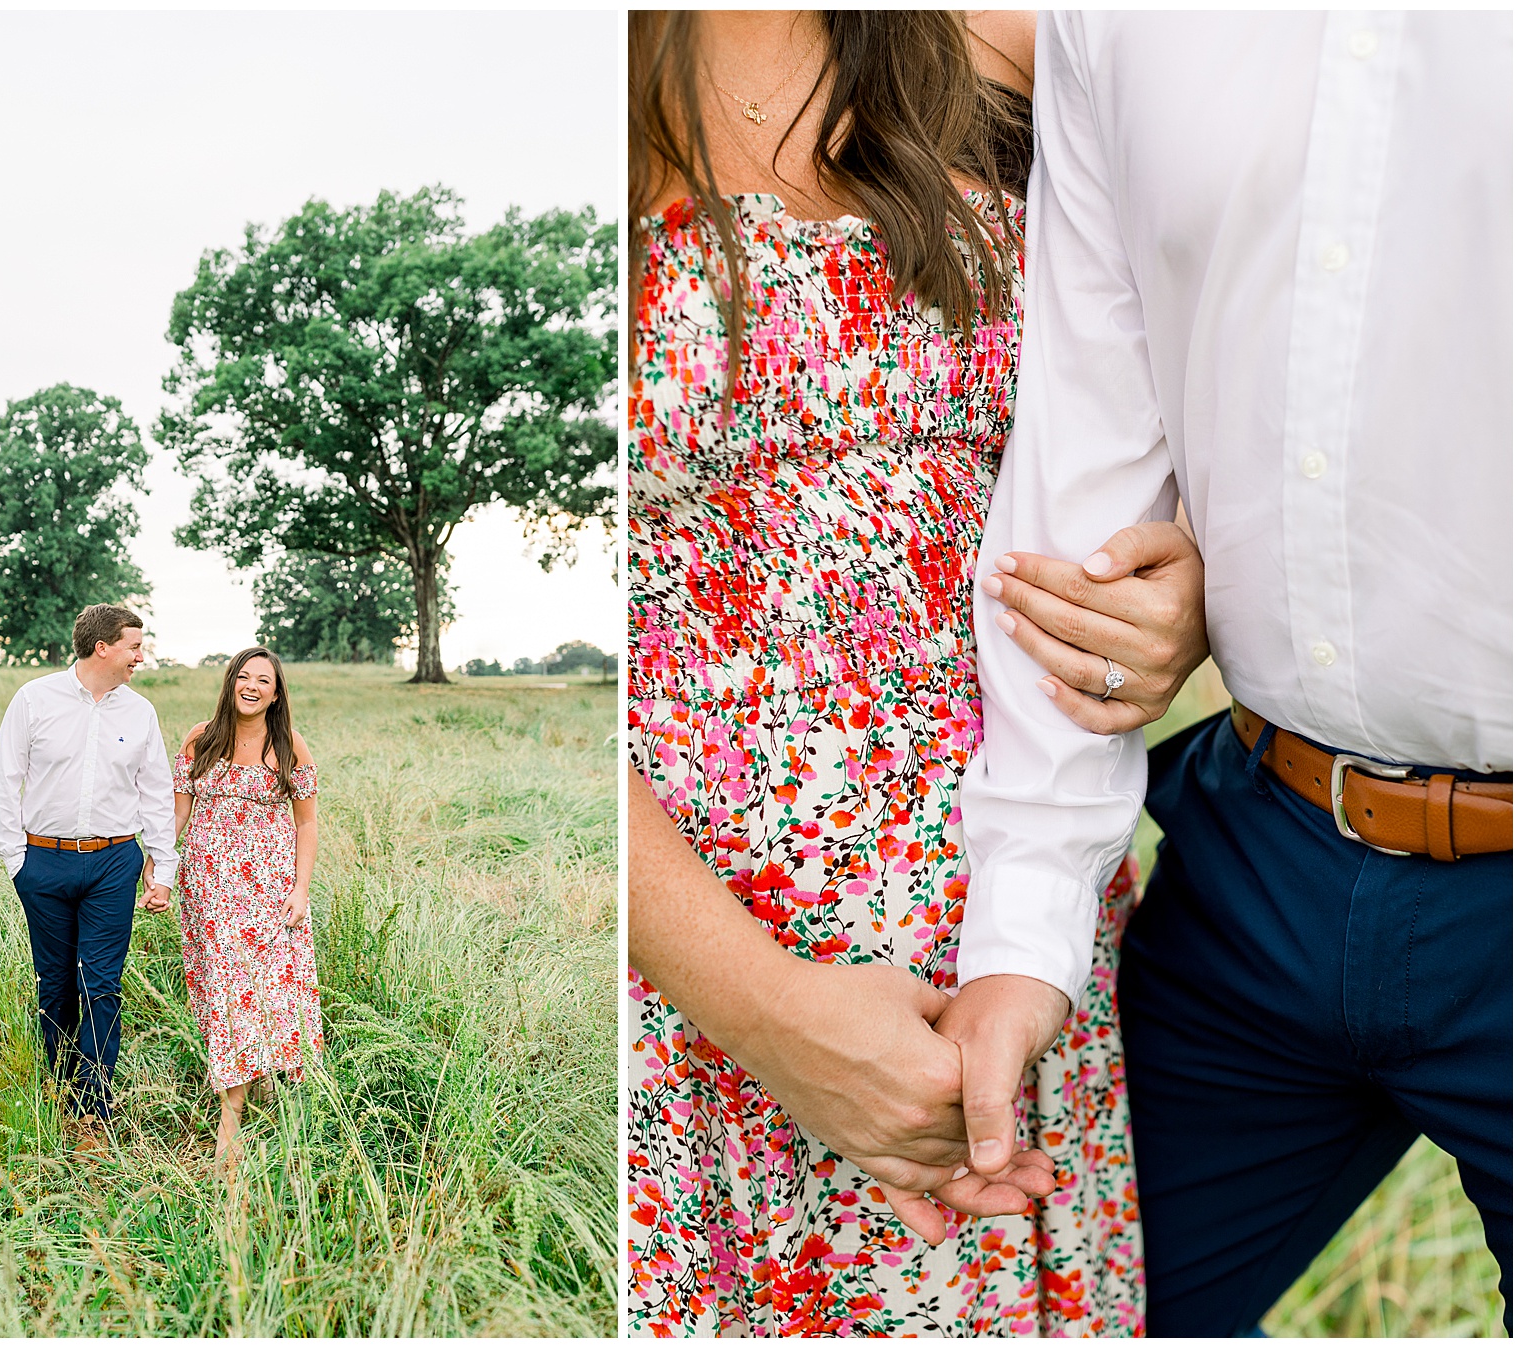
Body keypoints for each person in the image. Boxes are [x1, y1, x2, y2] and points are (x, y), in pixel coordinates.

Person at [626, 11, 1211, 1335]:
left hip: (1005, 966)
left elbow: (1210, 359)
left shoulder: (1010, 41)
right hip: (695, 1000)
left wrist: (1195, 586)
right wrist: (767, 1010)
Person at [966, 12, 1511, 1335]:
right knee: (1065, 1305)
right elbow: (1087, 474)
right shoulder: (1112, 22)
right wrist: (1024, 936)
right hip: (1260, 856)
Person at [0, 603, 178, 1157]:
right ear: (103, 647)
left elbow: (156, 792)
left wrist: (162, 868)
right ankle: (58, 1087)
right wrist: (16, 860)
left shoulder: (140, 712)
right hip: (43, 862)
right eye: (133, 646)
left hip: (114, 863)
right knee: (54, 982)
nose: (140, 656)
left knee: (101, 982)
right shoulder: (34, 699)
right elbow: (5, 780)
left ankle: (93, 1106)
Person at [158, 645, 323, 1170]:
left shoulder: (288, 743)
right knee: (226, 993)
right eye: (244, 677)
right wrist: (158, 865)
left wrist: (300, 889)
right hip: (209, 893)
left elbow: (306, 822)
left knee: (263, 993)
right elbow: (177, 814)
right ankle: (249, 1086)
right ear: (231, 682)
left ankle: (234, 1118)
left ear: (276, 694)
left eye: (263, 681)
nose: (252, 686)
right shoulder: (200, 738)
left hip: (269, 893)